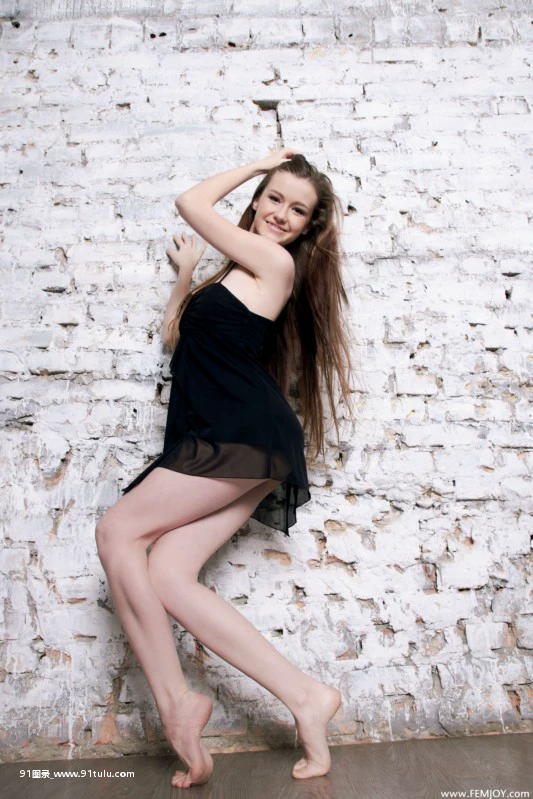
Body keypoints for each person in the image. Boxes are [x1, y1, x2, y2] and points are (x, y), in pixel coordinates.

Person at [95, 148, 357, 789]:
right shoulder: (235, 272)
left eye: (297, 210)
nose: (281, 214)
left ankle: (176, 704)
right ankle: (306, 696)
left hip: (240, 432)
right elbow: (176, 338)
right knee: (168, 573)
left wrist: (262, 164)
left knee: (116, 532)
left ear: (308, 226)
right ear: (259, 203)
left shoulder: (274, 263)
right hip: (235, 437)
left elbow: (190, 202)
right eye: (275, 198)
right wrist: (188, 277)